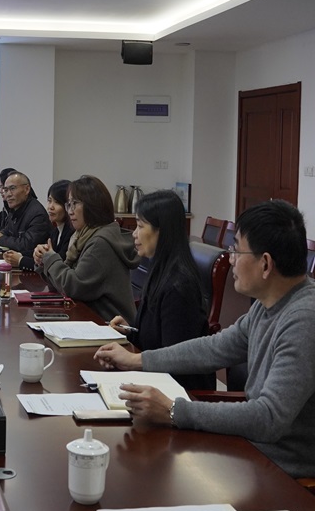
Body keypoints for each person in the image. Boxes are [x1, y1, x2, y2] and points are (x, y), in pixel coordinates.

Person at [94, 200, 315, 479]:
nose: (231, 258)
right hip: (249, 450)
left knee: (154, 475)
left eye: (236, 250)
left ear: (266, 264)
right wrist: (137, 360)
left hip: (282, 472)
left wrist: (174, 411)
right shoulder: (267, 304)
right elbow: (214, 348)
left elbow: (268, 417)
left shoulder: (304, 320)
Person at [108, 190, 214, 390]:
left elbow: (173, 361)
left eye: (140, 226)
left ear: (162, 231)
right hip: (156, 381)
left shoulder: (179, 287)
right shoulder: (160, 269)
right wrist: (130, 332)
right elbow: (154, 341)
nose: (134, 233)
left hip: (177, 393)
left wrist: (130, 360)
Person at [34, 175, 140, 322]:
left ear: (93, 205)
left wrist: (51, 259)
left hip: (109, 325)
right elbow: (62, 286)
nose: (70, 211)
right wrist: (43, 261)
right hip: (90, 319)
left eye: (75, 204)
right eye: (68, 204)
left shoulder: (100, 242)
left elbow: (74, 287)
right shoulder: (83, 236)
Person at [4, 179, 73, 269]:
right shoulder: (56, 230)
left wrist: (20, 260)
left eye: (57, 202)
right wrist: (17, 254)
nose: (50, 207)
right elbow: (44, 254)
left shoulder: (71, 232)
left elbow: (57, 263)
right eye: (49, 201)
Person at [0, 171, 51, 256]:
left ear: (27, 189)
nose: (8, 194)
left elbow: (28, 245)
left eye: (12, 188)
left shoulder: (37, 214)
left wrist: (1, 239)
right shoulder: (15, 209)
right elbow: (8, 230)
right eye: (6, 190)